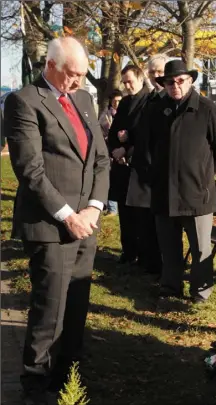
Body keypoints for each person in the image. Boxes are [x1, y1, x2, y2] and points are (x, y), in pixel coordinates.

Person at [4, 36, 110, 405]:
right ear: (51, 65)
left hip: (87, 222)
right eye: (72, 74)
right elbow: (30, 171)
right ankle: (36, 383)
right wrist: (68, 216)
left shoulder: (83, 99)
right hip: (52, 226)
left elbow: (100, 158)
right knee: (50, 307)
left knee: (78, 304)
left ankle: (69, 378)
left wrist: (94, 207)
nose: (78, 81)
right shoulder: (24, 102)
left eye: (83, 74)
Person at [137, 59, 216, 302]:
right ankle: (170, 287)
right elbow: (144, 148)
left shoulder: (208, 109)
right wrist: (152, 177)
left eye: (180, 81)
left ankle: (200, 292)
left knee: (200, 248)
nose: (175, 85)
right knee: (169, 247)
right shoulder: (155, 109)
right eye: (170, 82)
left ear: (190, 81)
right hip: (163, 192)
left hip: (196, 192)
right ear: (164, 84)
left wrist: (203, 175)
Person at [125, 54, 169, 276]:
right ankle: (149, 262)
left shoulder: (169, 99)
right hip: (142, 168)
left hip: (160, 171)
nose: (156, 76)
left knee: (159, 224)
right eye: (152, 72)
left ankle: (159, 266)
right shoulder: (150, 98)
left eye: (160, 71)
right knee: (145, 221)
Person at [107, 65, 149, 265]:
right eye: (124, 82)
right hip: (121, 165)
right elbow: (115, 130)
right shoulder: (124, 102)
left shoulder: (149, 101)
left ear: (141, 79)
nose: (127, 85)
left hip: (139, 165)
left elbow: (147, 134)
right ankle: (128, 250)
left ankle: (142, 252)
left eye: (130, 81)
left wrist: (127, 148)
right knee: (124, 211)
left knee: (140, 215)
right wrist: (116, 150)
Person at [99, 89, 123, 216]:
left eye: (119, 101)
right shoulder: (106, 116)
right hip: (108, 151)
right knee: (110, 178)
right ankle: (112, 208)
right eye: (115, 102)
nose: (117, 104)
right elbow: (101, 134)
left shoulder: (125, 113)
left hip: (123, 152)